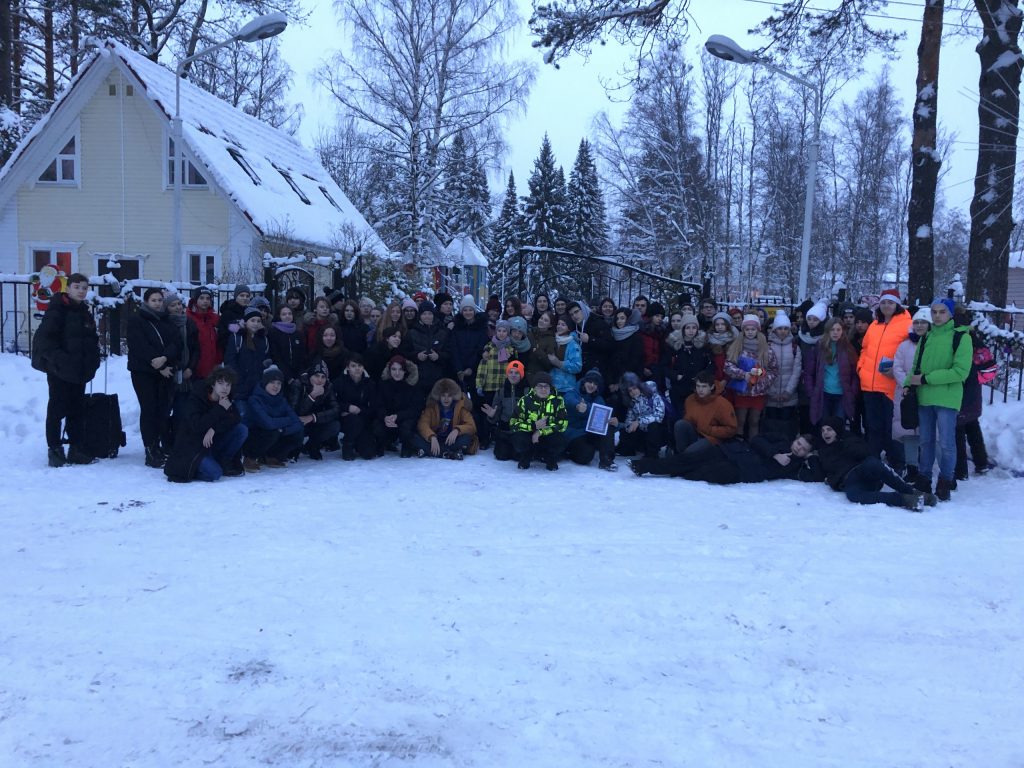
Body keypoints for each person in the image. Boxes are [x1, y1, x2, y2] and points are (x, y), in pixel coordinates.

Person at [904, 298, 972, 501]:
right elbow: (916, 366)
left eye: (942, 312)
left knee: (946, 443)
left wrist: (926, 379)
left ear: (950, 314)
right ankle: (924, 478)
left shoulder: (961, 337)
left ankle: (945, 480)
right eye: (934, 312)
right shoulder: (926, 337)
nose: (937, 316)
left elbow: (960, 372)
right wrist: (908, 384)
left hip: (947, 398)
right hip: (925, 397)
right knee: (925, 441)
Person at [31, 272, 101, 467]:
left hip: (80, 371)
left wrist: (93, 361)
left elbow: (91, 340)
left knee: (77, 410)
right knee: (56, 409)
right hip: (60, 371)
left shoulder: (84, 311)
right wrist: (61, 361)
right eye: (77, 287)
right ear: (68, 288)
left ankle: (76, 448)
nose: (81, 291)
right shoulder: (57, 310)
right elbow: (45, 341)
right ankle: (55, 449)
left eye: (84, 288)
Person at [816, 417, 936, 511]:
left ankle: (912, 492)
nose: (825, 433)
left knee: (873, 463)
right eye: (823, 430)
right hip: (849, 480)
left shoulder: (849, 439)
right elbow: (825, 469)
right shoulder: (823, 450)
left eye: (829, 430)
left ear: (837, 431)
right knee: (853, 496)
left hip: (864, 470)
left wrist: (842, 444)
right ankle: (905, 500)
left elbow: (864, 452)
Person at [629, 432, 821, 485]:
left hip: (742, 472)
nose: (798, 448)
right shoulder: (782, 440)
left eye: (803, 449)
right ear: (795, 439)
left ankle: (672, 471)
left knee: (701, 473)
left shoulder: (797, 465)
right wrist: (774, 454)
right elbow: (756, 440)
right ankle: (644, 466)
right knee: (689, 459)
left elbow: (814, 475)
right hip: (733, 452)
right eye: (799, 443)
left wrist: (810, 458)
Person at [857, 288, 912, 470]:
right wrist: (861, 367)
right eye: (883, 302)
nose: (886, 306)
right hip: (869, 384)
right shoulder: (875, 324)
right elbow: (865, 348)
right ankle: (873, 460)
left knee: (892, 428)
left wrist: (898, 372)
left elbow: (911, 351)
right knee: (873, 426)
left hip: (891, 385)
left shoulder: (906, 324)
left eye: (890, 302)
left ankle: (897, 463)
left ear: (897, 304)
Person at [127, 287, 181, 468]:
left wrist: (165, 359)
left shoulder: (166, 321)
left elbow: (176, 343)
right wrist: (159, 365)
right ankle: (150, 448)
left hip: (165, 371)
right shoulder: (137, 320)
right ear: (146, 302)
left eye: (159, 300)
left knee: (162, 410)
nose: (157, 303)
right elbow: (139, 345)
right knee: (149, 409)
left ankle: (158, 445)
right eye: (154, 300)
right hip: (143, 372)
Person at [164, 366, 247, 482]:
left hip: (211, 444)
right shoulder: (197, 397)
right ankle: (194, 469)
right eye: (221, 383)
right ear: (213, 384)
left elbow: (235, 419)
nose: (225, 388)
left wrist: (213, 429)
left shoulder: (226, 399)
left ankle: (223, 461)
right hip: (193, 447)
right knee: (215, 474)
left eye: (228, 385)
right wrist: (220, 408)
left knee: (241, 430)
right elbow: (197, 425)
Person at [723, 314, 778, 440]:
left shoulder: (766, 349)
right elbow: (728, 365)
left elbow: (773, 369)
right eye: (747, 329)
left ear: (758, 330)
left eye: (753, 329)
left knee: (754, 420)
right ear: (743, 331)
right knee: (740, 419)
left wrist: (763, 380)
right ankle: (739, 442)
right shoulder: (737, 347)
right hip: (742, 391)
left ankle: (754, 444)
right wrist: (743, 374)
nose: (750, 332)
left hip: (759, 392)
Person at [892, 307, 930, 483]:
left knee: (927, 431)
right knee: (908, 432)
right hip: (906, 393)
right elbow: (897, 366)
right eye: (916, 322)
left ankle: (926, 466)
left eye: (923, 322)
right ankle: (911, 466)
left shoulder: (933, 344)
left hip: (927, 391)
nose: (919, 325)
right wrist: (906, 383)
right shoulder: (904, 345)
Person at [242, 365, 304, 471]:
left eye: (279, 383)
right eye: (272, 382)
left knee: (298, 433)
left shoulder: (281, 400)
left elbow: (297, 422)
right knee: (272, 431)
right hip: (254, 438)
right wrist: (286, 421)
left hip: (274, 433)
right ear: (265, 383)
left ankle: (272, 457)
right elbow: (268, 423)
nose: (276, 386)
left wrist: (283, 429)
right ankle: (250, 459)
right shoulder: (255, 400)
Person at [804, 318, 860, 428]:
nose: (835, 333)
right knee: (824, 426)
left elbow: (855, 373)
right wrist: (811, 392)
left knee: (838, 426)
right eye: (832, 330)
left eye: (838, 330)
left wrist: (852, 391)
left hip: (842, 395)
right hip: (823, 394)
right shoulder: (819, 347)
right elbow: (809, 372)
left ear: (842, 331)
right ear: (827, 331)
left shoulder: (848, 348)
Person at [163, 291, 201, 450]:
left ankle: (178, 442)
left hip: (186, 375)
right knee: (165, 411)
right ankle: (165, 442)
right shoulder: (164, 323)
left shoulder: (189, 323)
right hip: (169, 373)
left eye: (179, 304)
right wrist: (176, 366)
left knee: (182, 411)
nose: (177, 307)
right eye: (173, 305)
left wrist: (190, 368)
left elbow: (195, 348)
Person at [672, 370, 737, 459]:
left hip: (712, 439)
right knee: (680, 424)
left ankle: (685, 458)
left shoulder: (723, 404)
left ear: (712, 387)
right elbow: (687, 421)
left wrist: (710, 430)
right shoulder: (690, 399)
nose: (700, 390)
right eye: (698, 386)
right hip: (696, 434)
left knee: (689, 454)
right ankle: (683, 457)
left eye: (704, 386)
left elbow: (731, 429)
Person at [511, 371, 568, 470]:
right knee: (519, 439)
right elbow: (513, 423)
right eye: (540, 386)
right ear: (534, 387)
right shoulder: (525, 400)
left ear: (550, 387)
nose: (543, 389)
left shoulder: (558, 401)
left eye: (546, 386)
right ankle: (526, 455)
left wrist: (541, 431)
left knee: (559, 440)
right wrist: (533, 426)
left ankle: (549, 457)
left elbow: (563, 423)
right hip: (529, 435)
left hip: (547, 435)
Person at [563, 369, 618, 470]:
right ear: (584, 381)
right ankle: (567, 453)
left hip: (590, 432)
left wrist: (614, 422)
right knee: (586, 456)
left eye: (595, 384)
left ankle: (607, 460)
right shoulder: (573, 393)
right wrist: (577, 406)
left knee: (608, 426)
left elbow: (602, 419)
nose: (592, 385)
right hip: (574, 433)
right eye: (590, 382)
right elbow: (568, 400)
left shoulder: (599, 399)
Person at [223, 305, 271, 420]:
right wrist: (238, 379)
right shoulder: (237, 337)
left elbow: (266, 358)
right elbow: (230, 361)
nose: (255, 323)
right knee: (243, 416)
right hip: (240, 387)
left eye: (258, 321)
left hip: (257, 386)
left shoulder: (263, 339)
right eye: (252, 320)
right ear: (245, 322)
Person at [413, 378, 478, 459]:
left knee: (466, 439)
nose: (446, 399)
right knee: (414, 437)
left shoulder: (460, 407)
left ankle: (431, 451)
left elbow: (472, 426)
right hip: (435, 439)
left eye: (449, 396)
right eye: (443, 395)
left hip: (451, 440)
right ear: (439, 396)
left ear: (453, 396)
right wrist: (431, 436)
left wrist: (457, 430)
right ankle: (450, 453)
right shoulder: (432, 407)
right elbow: (422, 424)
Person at [289, 360, 341, 461]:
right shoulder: (298, 384)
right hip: (299, 421)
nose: (320, 380)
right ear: (310, 375)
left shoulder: (328, 386)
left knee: (334, 425)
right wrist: (312, 396)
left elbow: (335, 409)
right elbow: (293, 411)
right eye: (317, 376)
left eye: (323, 377)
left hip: (315, 420)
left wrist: (313, 417)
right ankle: (294, 448)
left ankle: (312, 446)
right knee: (296, 424)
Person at [373, 354, 423, 457]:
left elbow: (415, 409)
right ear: (389, 370)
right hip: (387, 418)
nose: (397, 373)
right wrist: (385, 417)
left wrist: (398, 416)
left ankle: (407, 445)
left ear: (405, 370)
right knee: (377, 426)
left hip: (405, 418)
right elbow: (378, 404)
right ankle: (382, 444)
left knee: (407, 427)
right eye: (394, 369)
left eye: (400, 369)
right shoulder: (383, 384)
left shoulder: (412, 385)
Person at [665, 312, 712, 419]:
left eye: (694, 328)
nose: (691, 331)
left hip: (697, 386)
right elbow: (664, 365)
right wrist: (676, 376)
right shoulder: (674, 344)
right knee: (680, 414)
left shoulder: (703, 345)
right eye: (688, 328)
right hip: (679, 386)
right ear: (683, 329)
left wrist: (703, 377)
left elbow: (710, 364)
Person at [763, 310, 801, 438]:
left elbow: (796, 371)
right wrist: (771, 391)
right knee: (771, 426)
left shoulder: (794, 348)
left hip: (788, 396)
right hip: (771, 395)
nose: (783, 331)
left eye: (786, 328)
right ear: (774, 330)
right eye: (780, 328)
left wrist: (788, 392)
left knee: (787, 427)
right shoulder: (767, 347)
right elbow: (764, 370)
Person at [482, 360, 529, 461]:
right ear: (507, 374)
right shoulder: (501, 392)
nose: (513, 375)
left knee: (519, 456)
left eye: (517, 373)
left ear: (521, 375)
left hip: (520, 431)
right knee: (501, 456)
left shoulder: (527, 391)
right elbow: (494, 418)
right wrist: (491, 415)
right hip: (504, 430)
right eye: (510, 372)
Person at [334, 353, 377, 460]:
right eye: (353, 366)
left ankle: (358, 443)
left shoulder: (370, 384)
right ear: (348, 368)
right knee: (354, 421)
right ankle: (348, 444)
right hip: (345, 419)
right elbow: (333, 402)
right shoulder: (339, 382)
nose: (357, 369)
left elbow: (374, 407)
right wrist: (347, 407)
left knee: (369, 454)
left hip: (364, 418)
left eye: (359, 366)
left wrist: (359, 410)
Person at [616, 371, 667, 458]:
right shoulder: (632, 403)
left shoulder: (653, 396)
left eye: (634, 388)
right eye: (630, 391)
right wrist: (628, 426)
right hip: (643, 434)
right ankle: (628, 449)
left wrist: (639, 421)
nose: (633, 392)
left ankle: (652, 455)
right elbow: (629, 420)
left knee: (653, 426)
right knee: (626, 431)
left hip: (659, 432)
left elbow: (659, 416)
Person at [408, 300, 451, 396]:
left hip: (437, 378)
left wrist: (438, 356)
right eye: (424, 314)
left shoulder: (442, 333)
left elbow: (449, 353)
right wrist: (416, 356)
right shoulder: (412, 333)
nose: (427, 316)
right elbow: (406, 353)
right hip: (418, 378)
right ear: (420, 315)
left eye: (430, 313)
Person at [451, 296, 489, 396]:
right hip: (458, 371)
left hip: (475, 371)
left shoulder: (481, 328)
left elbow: (480, 349)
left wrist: (471, 368)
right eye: (465, 310)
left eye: (470, 310)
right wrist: (459, 369)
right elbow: (454, 349)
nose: (468, 312)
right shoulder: (456, 328)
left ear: (474, 311)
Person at [568, 300, 611, 377]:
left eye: (576, 312)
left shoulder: (598, 323)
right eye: (571, 314)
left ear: (583, 309)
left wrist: (590, 340)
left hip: (597, 371)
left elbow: (609, 345)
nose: (574, 316)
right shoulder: (574, 327)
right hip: (581, 371)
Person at [186, 286, 222, 379]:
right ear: (195, 300)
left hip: (212, 366)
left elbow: (222, 337)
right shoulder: (188, 318)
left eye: (208, 298)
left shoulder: (215, 318)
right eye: (201, 298)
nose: (205, 301)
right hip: (194, 366)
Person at [267, 304, 307, 385]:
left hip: (297, 376)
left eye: (290, 313)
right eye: (284, 314)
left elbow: (302, 355)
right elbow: (275, 356)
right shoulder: (273, 332)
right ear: (279, 316)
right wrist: (288, 377)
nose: (287, 316)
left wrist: (301, 373)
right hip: (280, 376)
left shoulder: (298, 333)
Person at [607, 308, 644, 393]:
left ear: (628, 319)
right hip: (613, 379)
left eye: (622, 318)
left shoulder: (636, 337)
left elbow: (634, 361)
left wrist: (619, 383)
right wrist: (610, 382)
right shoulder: (613, 334)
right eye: (617, 318)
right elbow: (609, 359)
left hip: (629, 381)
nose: (619, 321)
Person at [548, 314, 583, 395]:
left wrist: (559, 363)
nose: (559, 326)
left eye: (563, 325)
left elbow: (577, 366)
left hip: (566, 387)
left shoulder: (573, 345)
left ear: (569, 328)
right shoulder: (553, 340)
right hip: (550, 385)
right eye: (558, 324)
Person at [706, 311, 739, 386]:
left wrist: (726, 379)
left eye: (723, 324)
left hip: (730, 378)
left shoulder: (734, 339)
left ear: (727, 325)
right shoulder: (709, 339)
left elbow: (735, 362)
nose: (720, 327)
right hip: (714, 378)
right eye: (717, 324)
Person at [216, 284, 252, 351]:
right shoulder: (227, 313)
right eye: (242, 295)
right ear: (236, 297)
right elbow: (222, 334)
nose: (245, 298)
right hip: (232, 351)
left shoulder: (249, 312)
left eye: (247, 296)